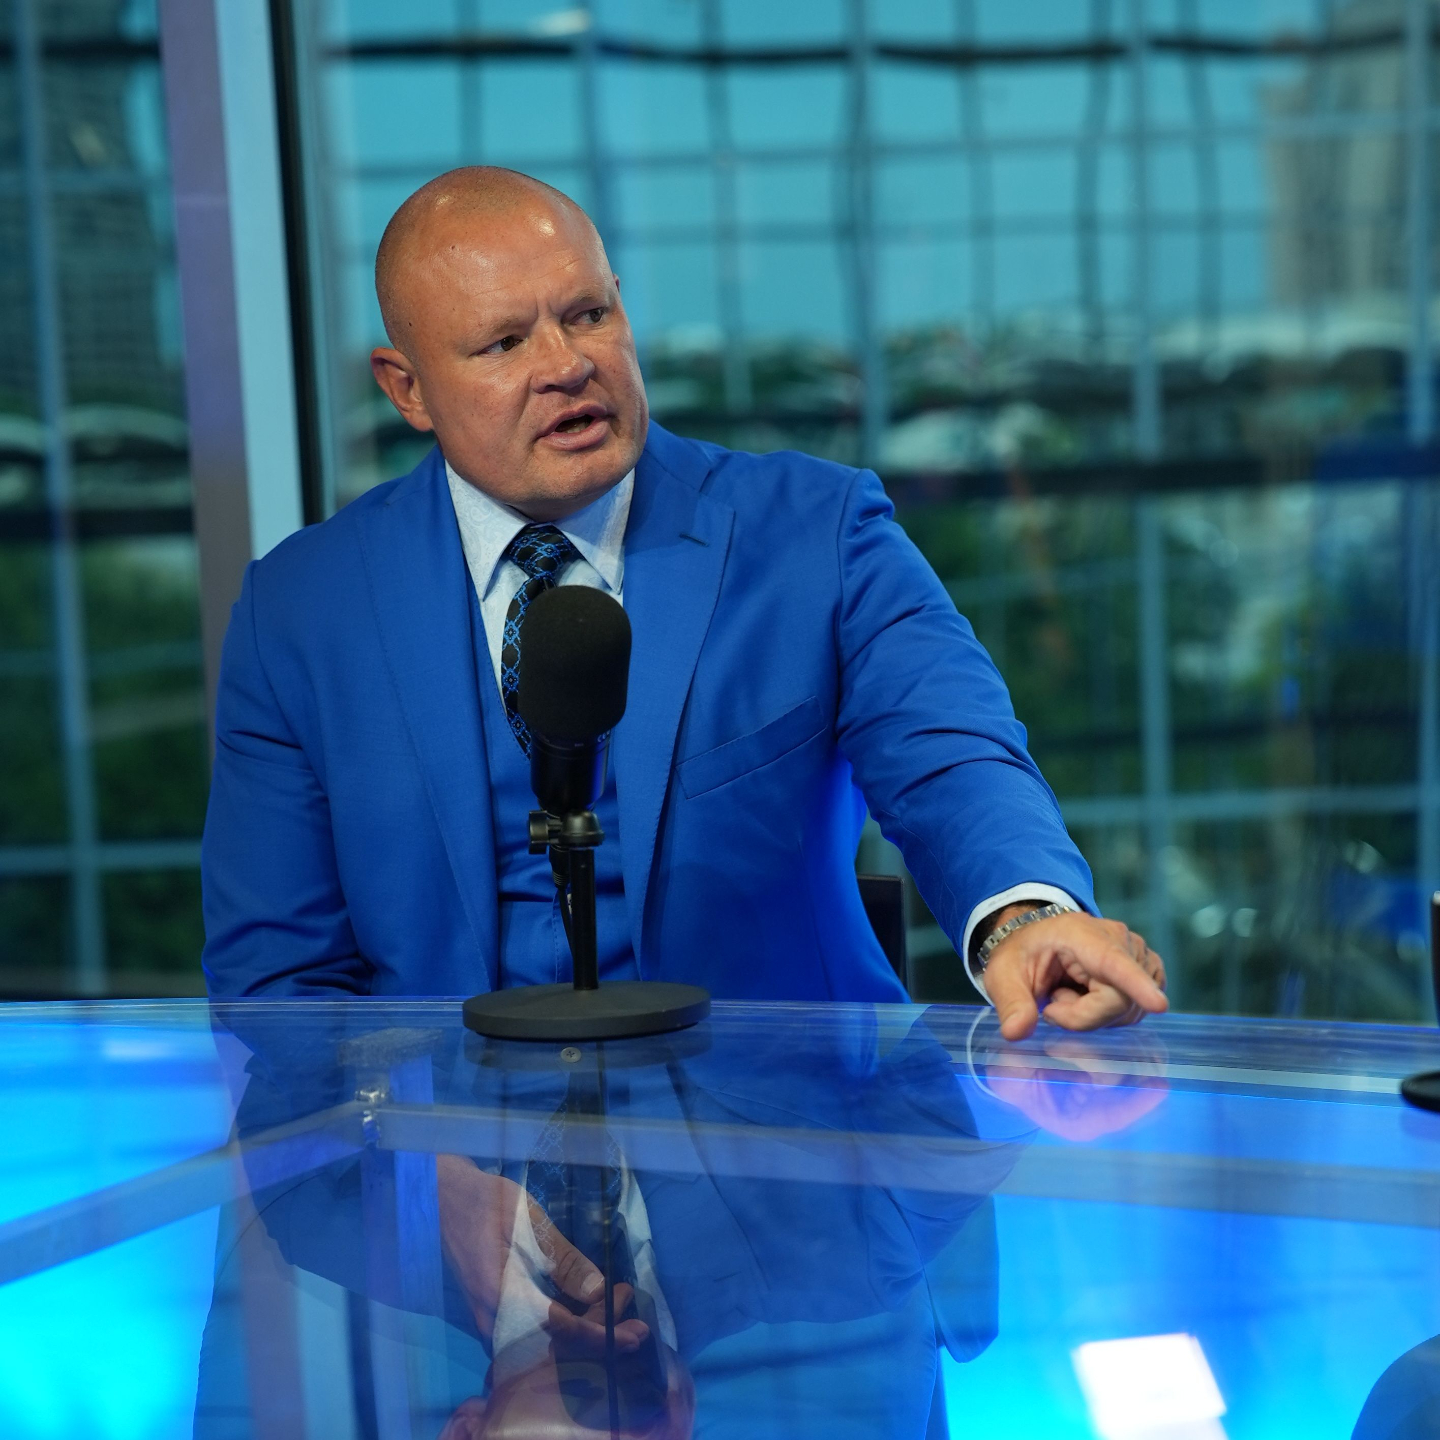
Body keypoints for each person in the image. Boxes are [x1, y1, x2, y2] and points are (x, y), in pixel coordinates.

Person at [200, 165, 1167, 1041]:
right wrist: (417, 1152)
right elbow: (278, 982)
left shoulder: (818, 534)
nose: (566, 364)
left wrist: (1022, 919)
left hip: (794, 1142)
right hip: (458, 1155)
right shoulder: (300, 613)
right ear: (407, 389)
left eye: (587, 314)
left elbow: (952, 757)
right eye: (503, 342)